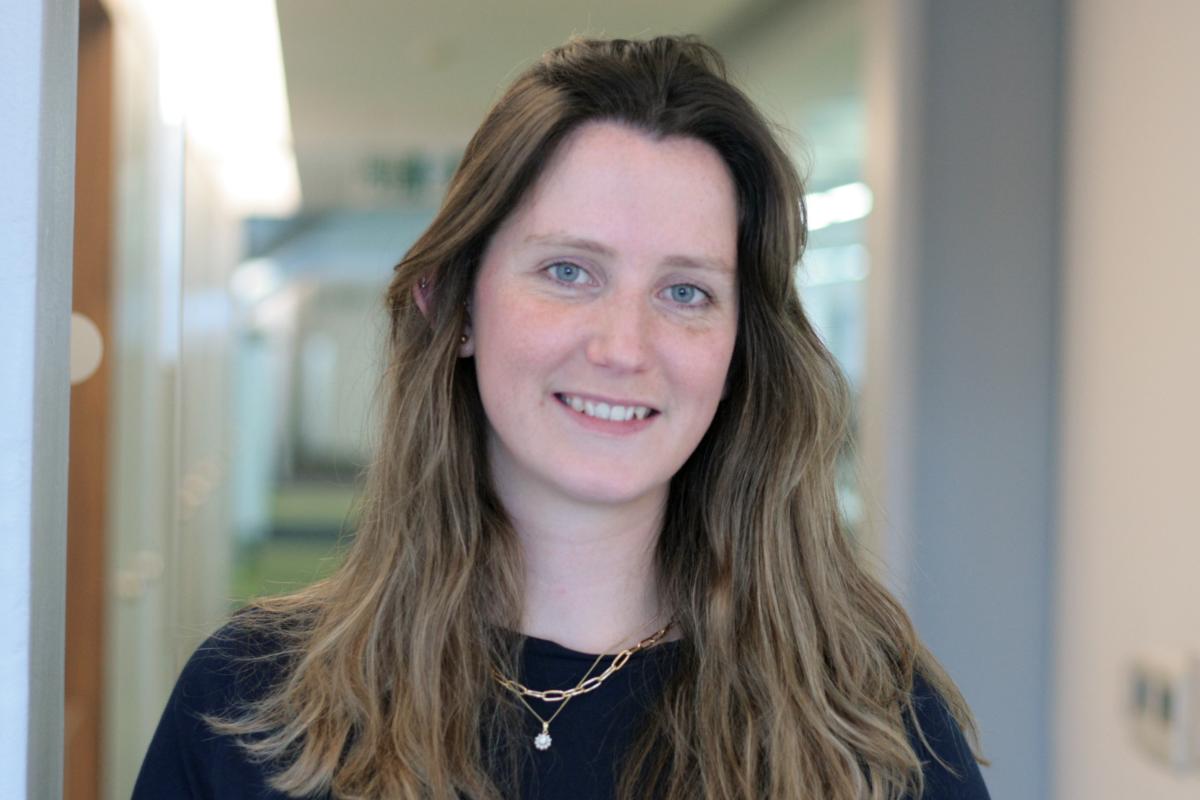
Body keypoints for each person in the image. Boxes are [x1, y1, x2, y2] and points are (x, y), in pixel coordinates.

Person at [134, 35, 991, 799]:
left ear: (738, 354)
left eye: (685, 291)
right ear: (457, 305)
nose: (625, 346)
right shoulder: (249, 704)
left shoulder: (877, 729)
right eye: (569, 272)